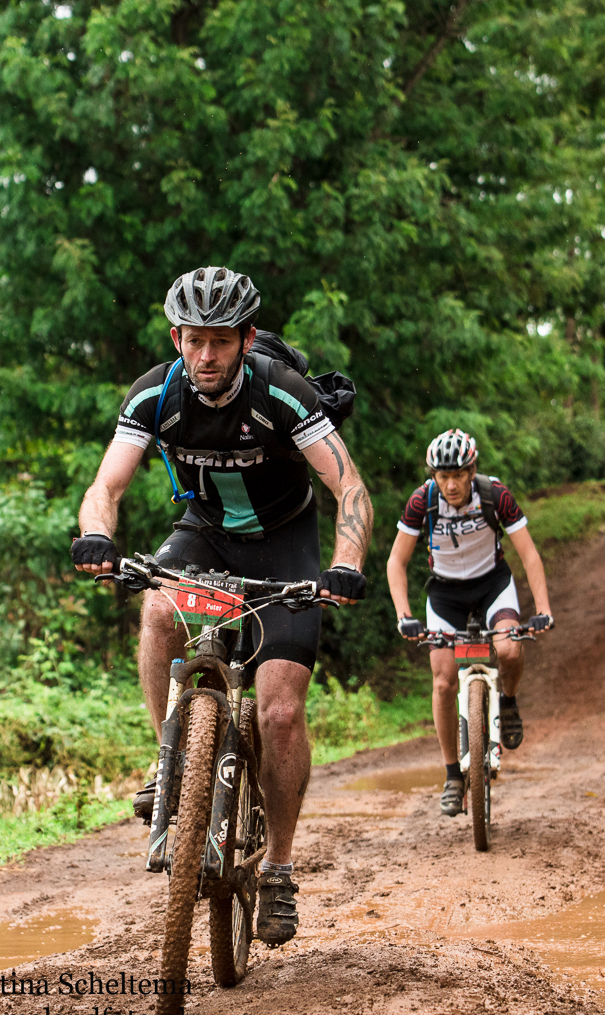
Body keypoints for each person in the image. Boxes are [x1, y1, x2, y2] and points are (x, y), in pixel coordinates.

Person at [71, 266, 374, 947]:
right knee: (156, 610)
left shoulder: (282, 394)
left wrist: (346, 563)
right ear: (177, 337)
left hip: (286, 547)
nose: (205, 356)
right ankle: (169, 759)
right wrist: (96, 534)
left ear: (245, 338)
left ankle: (281, 871)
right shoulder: (157, 392)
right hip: (202, 535)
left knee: (281, 711)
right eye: (192, 340)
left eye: (219, 341)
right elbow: (107, 483)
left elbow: (349, 488)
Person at [385, 429, 554, 816]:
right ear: (433, 476)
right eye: (442, 476)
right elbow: (396, 561)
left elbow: (528, 554)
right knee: (443, 679)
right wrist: (404, 616)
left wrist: (542, 608)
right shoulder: (422, 501)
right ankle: (452, 775)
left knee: (510, 649)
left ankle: (508, 703)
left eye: (458, 475)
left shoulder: (496, 496)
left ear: (471, 471)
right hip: (445, 595)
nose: (450, 484)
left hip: (492, 585)